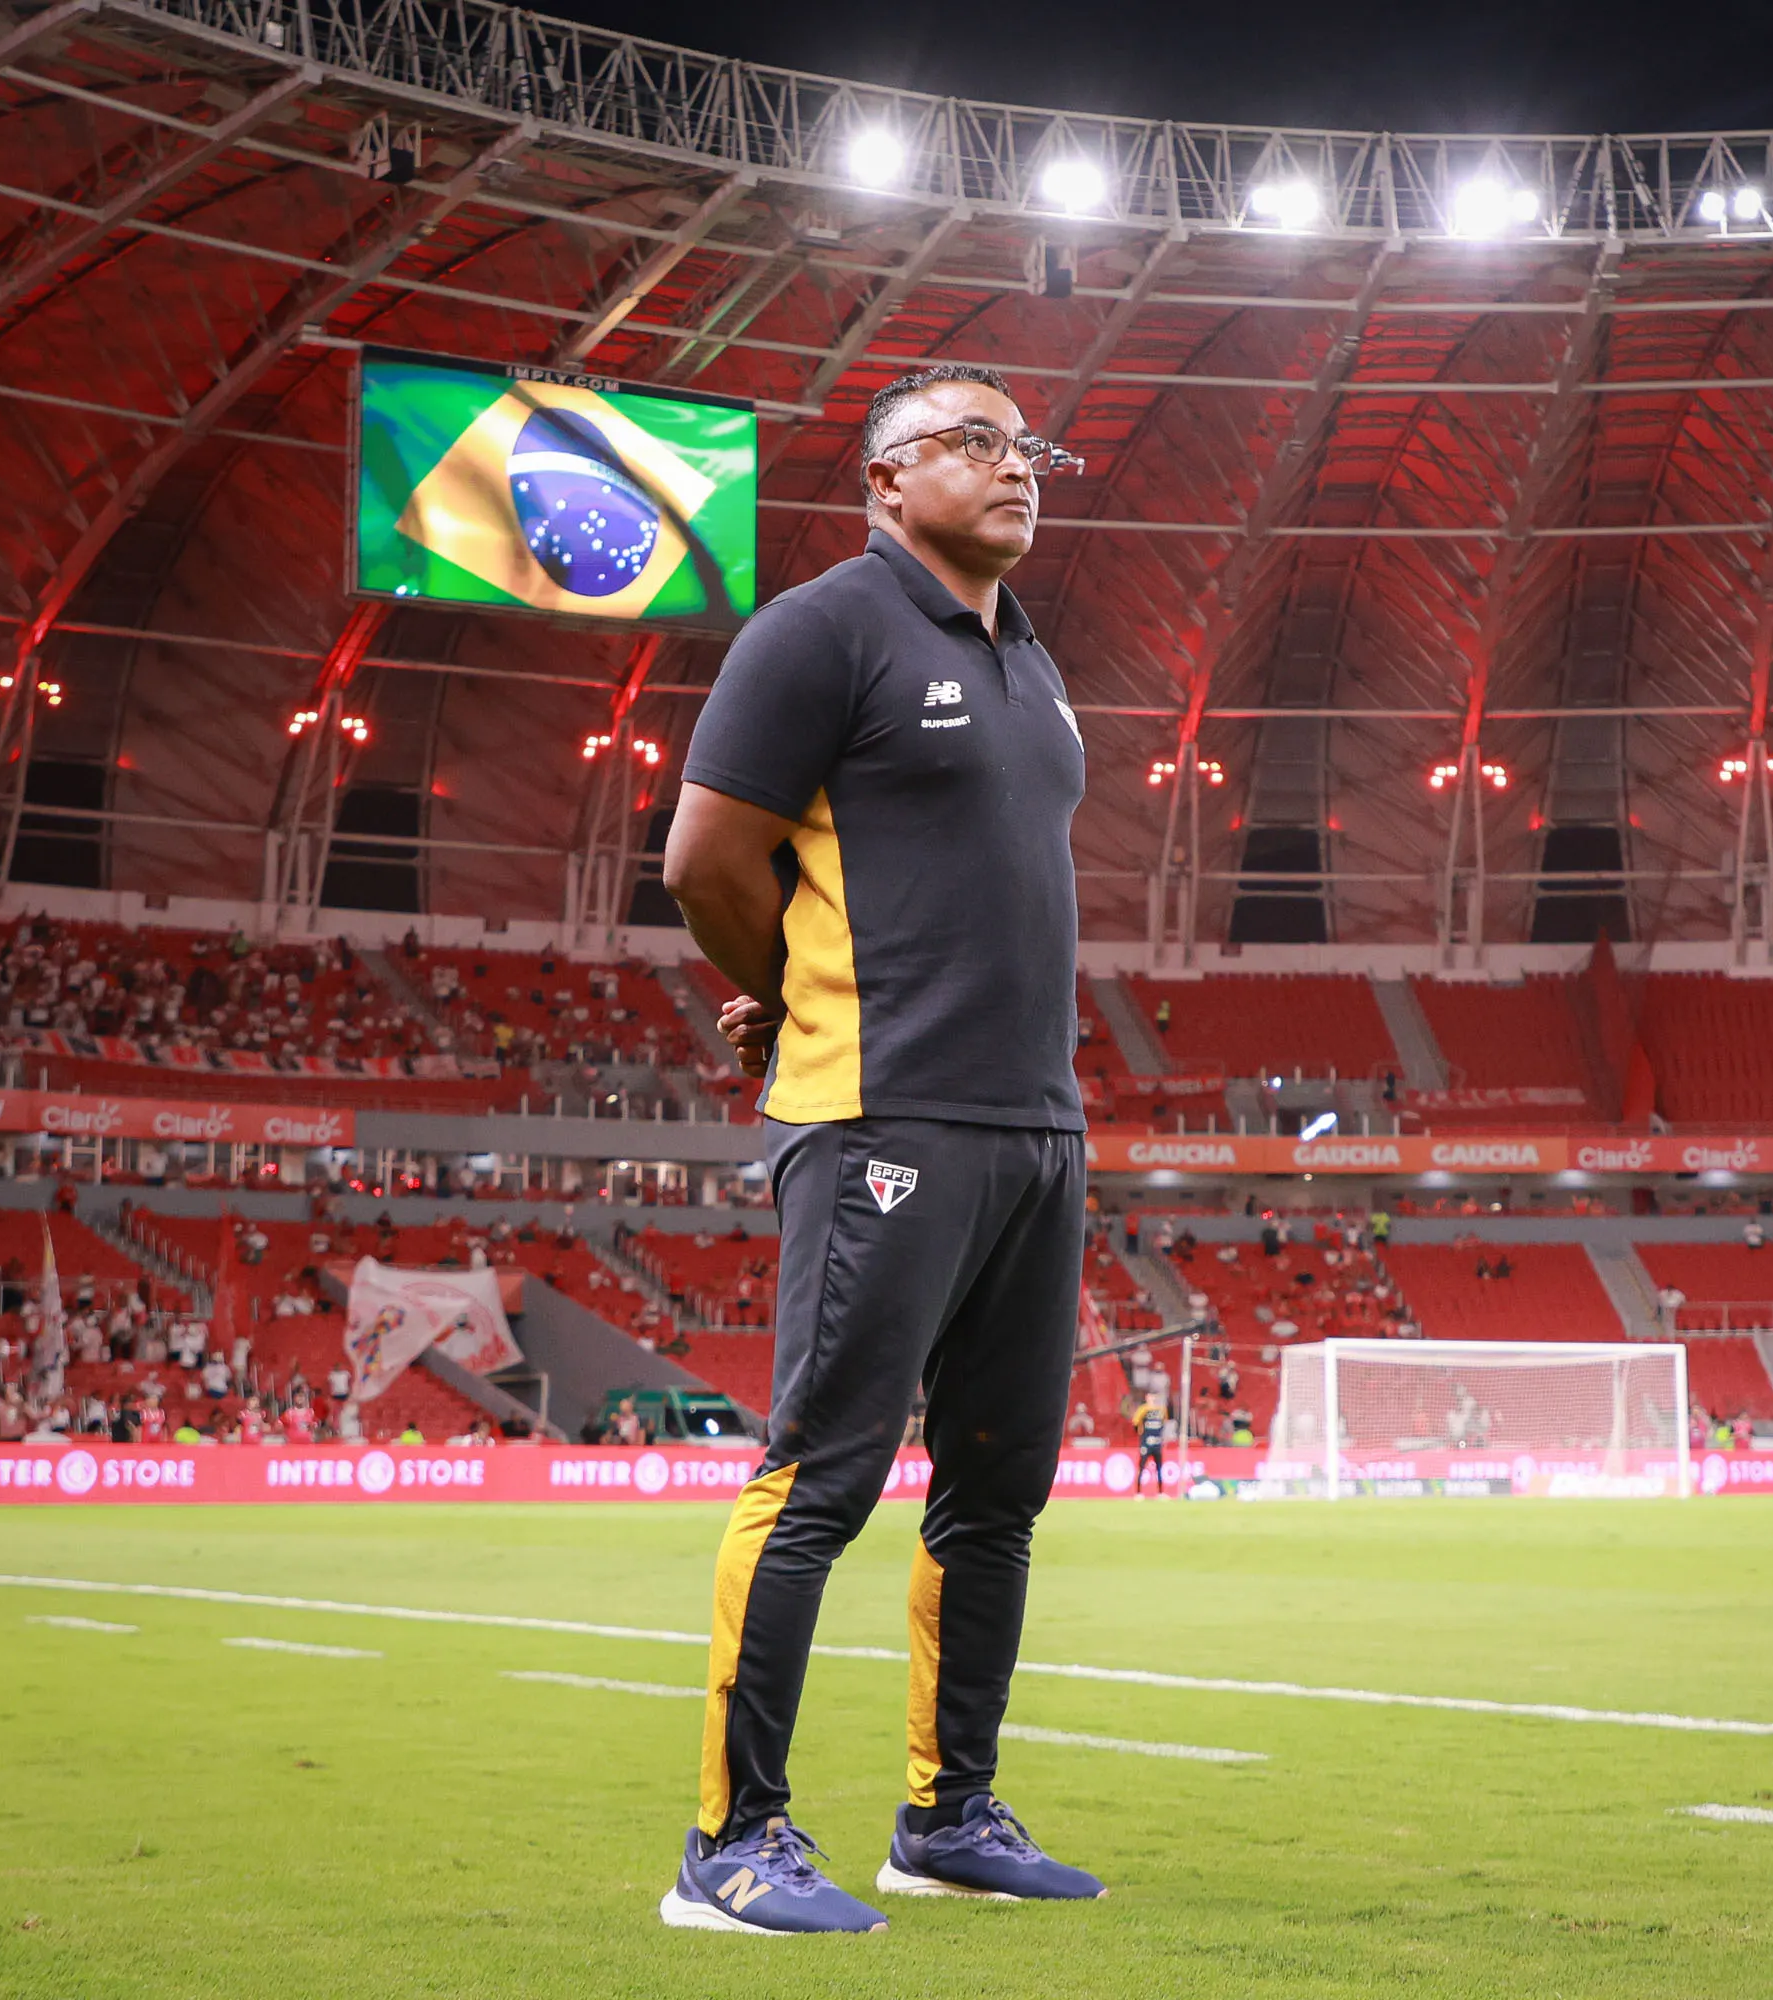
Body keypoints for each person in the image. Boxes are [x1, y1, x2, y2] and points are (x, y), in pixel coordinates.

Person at [655, 362, 1100, 1935]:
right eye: (976, 441)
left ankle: (949, 1813)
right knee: (823, 1477)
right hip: (880, 1110)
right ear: (886, 478)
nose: (1016, 464)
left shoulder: (1033, 660)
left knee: (998, 1494)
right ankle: (732, 1845)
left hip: (1038, 1124)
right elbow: (705, 856)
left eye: (1026, 443)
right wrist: (787, 991)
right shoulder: (821, 629)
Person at [1135, 1397, 1167, 1495]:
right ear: (1147, 1397)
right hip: (1146, 1444)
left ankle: (1160, 1493)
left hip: (1157, 1444)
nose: (1152, 1399)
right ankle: (1138, 1493)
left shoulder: (1161, 1410)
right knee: (1141, 1467)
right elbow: (1135, 1423)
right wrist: (1142, 1437)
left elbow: (1164, 1423)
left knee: (1159, 1469)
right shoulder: (1143, 1410)